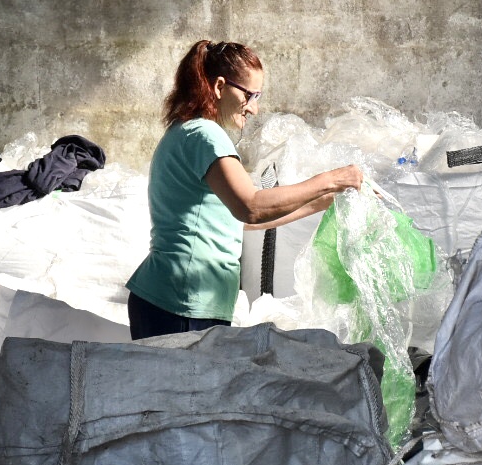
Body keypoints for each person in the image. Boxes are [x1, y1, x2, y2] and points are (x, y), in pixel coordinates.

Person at [125, 39, 365, 341]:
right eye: (249, 95)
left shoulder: (186, 132)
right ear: (219, 86)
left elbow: (244, 220)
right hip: (182, 304)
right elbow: (251, 206)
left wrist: (322, 202)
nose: (254, 107)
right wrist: (332, 179)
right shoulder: (204, 135)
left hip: (179, 301)